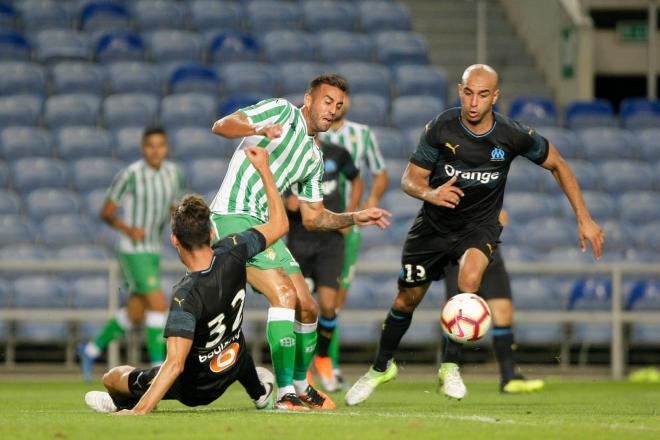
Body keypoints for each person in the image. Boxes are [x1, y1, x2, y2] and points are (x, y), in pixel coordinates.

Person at [345, 64, 604, 406]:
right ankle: (381, 368)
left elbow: (559, 164)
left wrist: (584, 219)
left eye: (483, 95)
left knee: (468, 283)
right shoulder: (442, 127)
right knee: (405, 300)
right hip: (432, 228)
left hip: (478, 227)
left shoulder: (512, 134)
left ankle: (450, 365)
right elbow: (409, 180)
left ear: (495, 97)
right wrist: (431, 194)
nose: (473, 102)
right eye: (468, 92)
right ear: (460, 90)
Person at [209, 74, 391, 410]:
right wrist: (257, 129)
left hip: (267, 228)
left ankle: (301, 385)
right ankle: (284, 395)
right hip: (232, 217)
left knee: (308, 306)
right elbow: (221, 125)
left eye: (337, 106)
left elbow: (313, 217)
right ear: (309, 98)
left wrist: (353, 216)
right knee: (285, 295)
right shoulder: (280, 112)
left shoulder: (313, 157)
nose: (331, 110)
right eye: (326, 101)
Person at [84, 147, 283, 415]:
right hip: (234, 362)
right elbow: (280, 224)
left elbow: (175, 364)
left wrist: (138, 412)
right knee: (236, 343)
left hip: (196, 389)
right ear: (211, 232)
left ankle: (124, 401)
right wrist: (265, 171)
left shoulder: (185, 295)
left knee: (113, 376)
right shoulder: (235, 248)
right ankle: (259, 392)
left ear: (174, 240)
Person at [79, 127, 184, 382]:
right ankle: (160, 370)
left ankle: (90, 349)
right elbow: (106, 212)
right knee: (158, 304)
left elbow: (172, 207)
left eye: (160, 145)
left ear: (166, 147)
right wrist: (128, 228)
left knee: (137, 312)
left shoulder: (173, 174)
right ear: (143, 147)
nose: (156, 150)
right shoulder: (130, 175)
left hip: (153, 250)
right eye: (151, 145)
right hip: (132, 250)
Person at [318, 96, 389, 386]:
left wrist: (365, 206)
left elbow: (380, 174)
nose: (336, 105)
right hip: (308, 228)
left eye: (341, 99)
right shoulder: (311, 130)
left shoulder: (362, 135)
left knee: (334, 302)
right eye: (330, 99)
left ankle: (328, 367)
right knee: (303, 301)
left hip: (347, 231)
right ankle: (307, 368)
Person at [285, 135, 362, 392]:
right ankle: (302, 369)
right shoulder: (287, 157)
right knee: (302, 307)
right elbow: (280, 194)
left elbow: (356, 179)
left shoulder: (337, 153)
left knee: (329, 305)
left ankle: (324, 359)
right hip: (299, 242)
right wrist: (287, 202)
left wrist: (348, 217)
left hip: (330, 241)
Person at [443, 209, 545, 393]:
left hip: (490, 254)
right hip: (459, 254)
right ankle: (448, 376)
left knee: (504, 311)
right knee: (456, 315)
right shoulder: (450, 183)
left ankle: (508, 378)